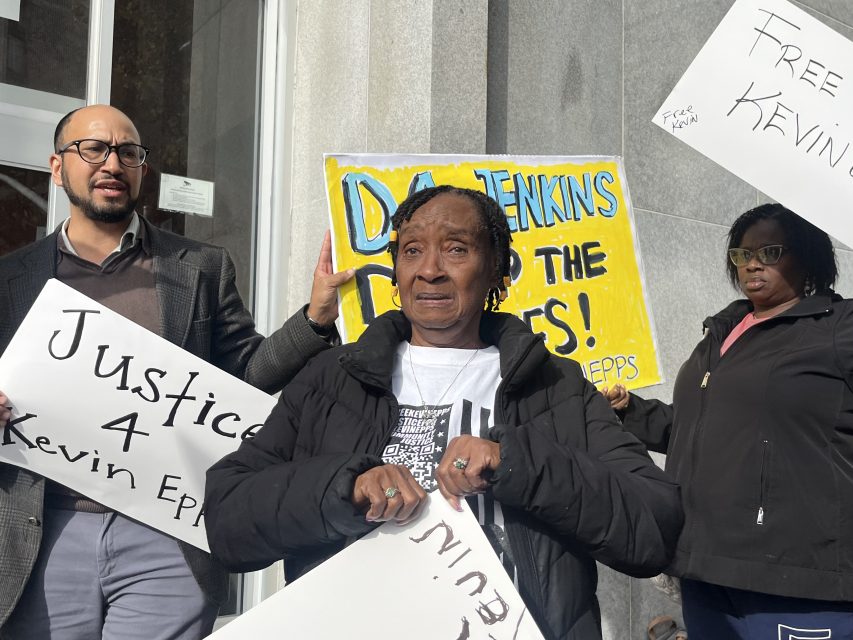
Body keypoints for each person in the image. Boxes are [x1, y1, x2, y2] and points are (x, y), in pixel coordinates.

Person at [204, 185, 684, 640]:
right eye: (411, 251)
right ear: (394, 271)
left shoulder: (556, 386)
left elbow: (655, 527)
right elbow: (227, 518)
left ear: (498, 270)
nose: (429, 269)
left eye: (456, 249)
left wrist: (516, 464)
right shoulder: (331, 378)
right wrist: (344, 487)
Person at [0, 104, 353, 639]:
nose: (112, 163)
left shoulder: (202, 267)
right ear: (56, 166)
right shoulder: (11, 278)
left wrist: (316, 318)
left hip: (165, 531)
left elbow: (246, 372)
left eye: (128, 152)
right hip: (41, 527)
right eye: (93, 149)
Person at [603, 203, 853, 639]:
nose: (752, 263)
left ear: (808, 256)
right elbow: (701, 430)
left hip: (797, 577)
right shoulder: (722, 332)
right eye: (742, 253)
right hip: (705, 568)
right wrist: (631, 412)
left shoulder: (837, 328)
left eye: (770, 252)